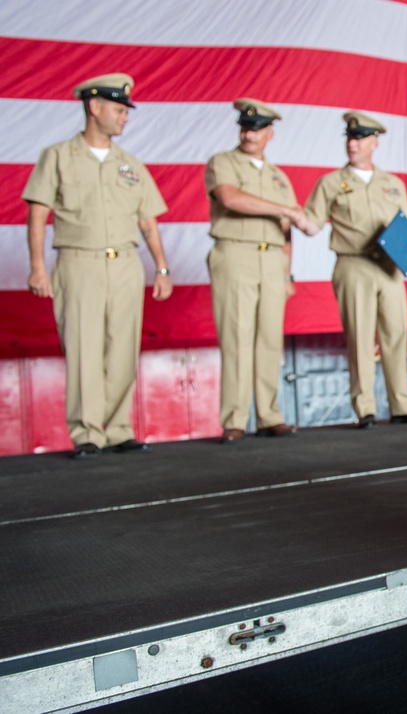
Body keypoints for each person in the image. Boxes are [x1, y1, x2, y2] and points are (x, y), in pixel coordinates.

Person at [22, 73, 173, 460]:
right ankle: (87, 431)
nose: (125, 117)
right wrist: (38, 267)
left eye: (125, 110)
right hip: (78, 262)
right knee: (84, 346)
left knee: (123, 346)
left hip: (124, 263)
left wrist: (161, 267)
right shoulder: (57, 156)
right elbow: (38, 215)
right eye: (119, 109)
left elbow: (147, 221)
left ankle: (119, 427)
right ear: (95, 107)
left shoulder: (129, 164)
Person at [303, 111, 407, 429]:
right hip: (353, 264)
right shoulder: (331, 183)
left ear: (374, 142)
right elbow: (311, 223)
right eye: (350, 137)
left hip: (389, 267)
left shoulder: (392, 183)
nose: (353, 143)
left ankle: (401, 404)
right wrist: (285, 213)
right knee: (360, 336)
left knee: (396, 332)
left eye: (360, 138)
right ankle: (365, 408)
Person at [205, 98, 313, 443]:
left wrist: (287, 273)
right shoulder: (223, 162)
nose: (249, 134)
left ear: (270, 133)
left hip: (272, 262)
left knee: (269, 339)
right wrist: (286, 209)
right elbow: (230, 198)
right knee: (237, 337)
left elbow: (286, 230)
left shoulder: (278, 176)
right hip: (236, 254)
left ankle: (269, 415)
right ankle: (235, 419)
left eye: (256, 129)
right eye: (245, 128)